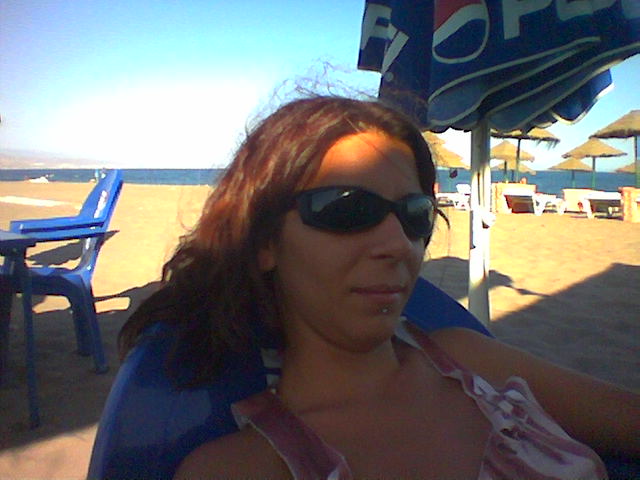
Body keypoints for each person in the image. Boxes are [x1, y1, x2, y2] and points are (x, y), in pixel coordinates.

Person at [120, 97, 638, 479]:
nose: (399, 245)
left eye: (414, 214)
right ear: (264, 241)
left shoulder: (469, 360)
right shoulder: (243, 468)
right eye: (348, 209)